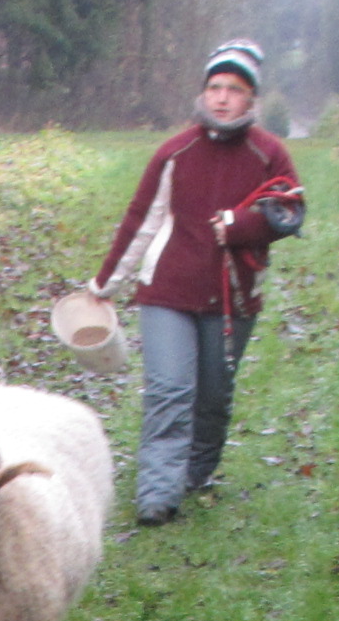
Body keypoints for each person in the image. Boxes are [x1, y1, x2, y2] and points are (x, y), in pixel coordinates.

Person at [93, 41, 304, 527]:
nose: (222, 98)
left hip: (234, 297)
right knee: (169, 389)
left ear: (252, 99)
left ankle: (196, 472)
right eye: (214, 87)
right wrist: (103, 285)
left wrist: (241, 225)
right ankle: (157, 494)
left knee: (213, 394)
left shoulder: (270, 154)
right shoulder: (175, 152)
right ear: (202, 93)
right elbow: (140, 221)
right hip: (168, 291)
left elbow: (290, 211)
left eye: (234, 89)